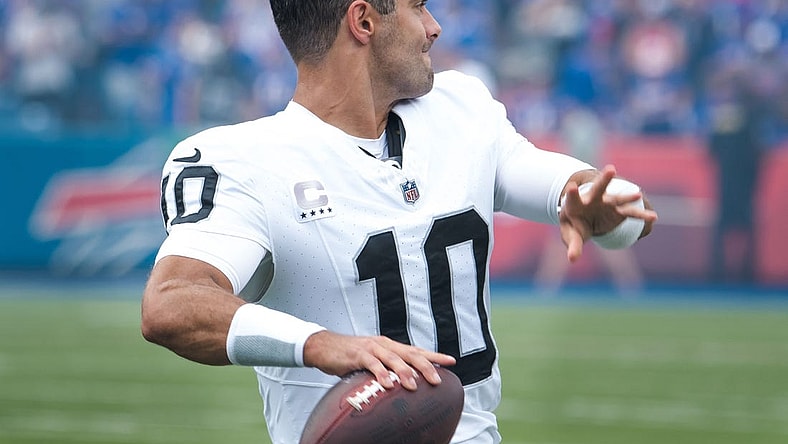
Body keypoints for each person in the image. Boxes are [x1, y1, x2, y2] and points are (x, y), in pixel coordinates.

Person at [141, 1, 657, 443]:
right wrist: (322, 345)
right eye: (417, 6)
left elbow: (585, 193)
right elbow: (171, 304)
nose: (434, 27)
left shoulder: (460, 110)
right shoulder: (246, 161)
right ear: (363, 21)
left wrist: (600, 206)